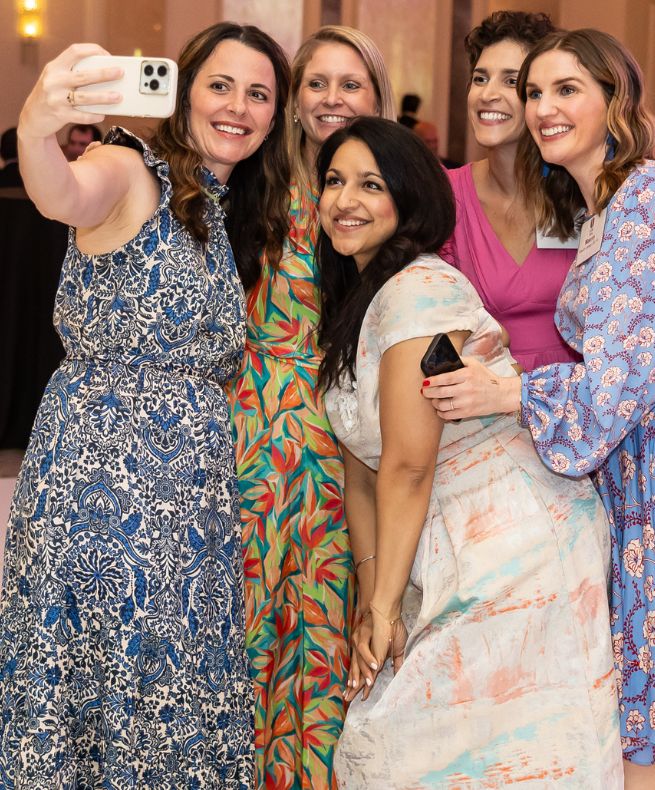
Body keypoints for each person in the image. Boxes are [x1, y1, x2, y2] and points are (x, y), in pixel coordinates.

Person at [0, 21, 290, 786]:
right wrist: (36, 125)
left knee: (173, 673)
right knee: (97, 666)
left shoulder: (225, 207)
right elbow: (62, 192)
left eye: (258, 94)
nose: (237, 107)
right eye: (219, 86)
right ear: (184, 90)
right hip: (101, 481)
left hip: (189, 498)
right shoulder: (130, 167)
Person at [315, 115, 622, 788]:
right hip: (444, 544)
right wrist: (375, 597)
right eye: (333, 181)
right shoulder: (358, 300)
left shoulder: (421, 291)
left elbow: (406, 461)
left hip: (514, 547)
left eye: (371, 185)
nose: (345, 200)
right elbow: (359, 470)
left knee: (420, 751)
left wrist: (381, 608)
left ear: (410, 200)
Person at [423, 28, 655, 790]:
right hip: (621, 484)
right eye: (534, 93)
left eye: (565, 90)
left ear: (614, 100)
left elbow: (610, 391)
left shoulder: (640, 206)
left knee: (641, 726)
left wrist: (512, 392)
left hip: (644, 485)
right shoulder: (601, 211)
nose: (542, 108)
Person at [225, 24, 394, 789]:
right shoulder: (253, 184)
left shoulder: (384, 198)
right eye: (316, 83)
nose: (332, 97)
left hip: (343, 442)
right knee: (245, 618)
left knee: (327, 625)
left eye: (349, 83)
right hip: (250, 435)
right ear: (293, 103)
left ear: (376, 98)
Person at [440, 10, 581, 372]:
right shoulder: (444, 196)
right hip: (484, 411)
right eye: (480, 78)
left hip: (582, 406)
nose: (488, 94)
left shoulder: (582, 192)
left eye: (510, 81)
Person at [397, 92, 439, 157]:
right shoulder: (419, 126)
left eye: (435, 141)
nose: (433, 145)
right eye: (428, 141)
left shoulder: (395, 122)